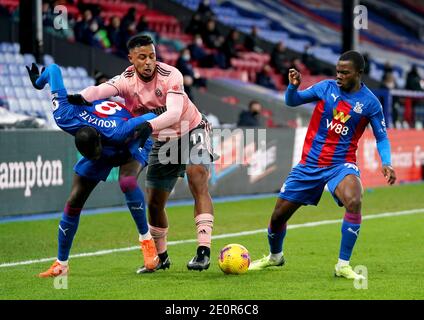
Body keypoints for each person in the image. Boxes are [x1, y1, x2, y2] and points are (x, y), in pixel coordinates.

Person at [75, 35, 218, 272]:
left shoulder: (171, 75)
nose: (149, 62)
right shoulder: (125, 80)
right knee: (153, 202)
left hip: (191, 128)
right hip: (162, 141)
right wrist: (78, 98)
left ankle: (203, 251)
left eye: (152, 56)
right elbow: (99, 90)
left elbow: (173, 114)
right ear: (131, 59)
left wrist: (148, 126)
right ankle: (161, 258)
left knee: (197, 177)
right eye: (143, 57)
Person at [249, 51, 397, 280]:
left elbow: (382, 137)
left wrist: (386, 162)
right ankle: (274, 257)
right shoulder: (326, 88)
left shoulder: (370, 103)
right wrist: (292, 87)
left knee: (355, 199)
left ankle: (343, 265)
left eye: (345, 72)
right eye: (338, 71)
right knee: (278, 217)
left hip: (341, 164)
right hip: (309, 163)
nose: (339, 76)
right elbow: (292, 101)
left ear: (359, 73)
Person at [26, 63, 159, 277]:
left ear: (98, 139)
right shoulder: (64, 116)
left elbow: (152, 117)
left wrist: (142, 133)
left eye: (94, 154)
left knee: (126, 181)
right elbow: (52, 69)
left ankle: (146, 241)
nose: (94, 158)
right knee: (74, 200)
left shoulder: (116, 131)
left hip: (130, 141)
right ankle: (61, 264)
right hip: (106, 143)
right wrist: (38, 83)